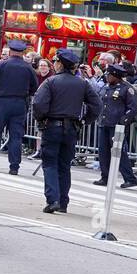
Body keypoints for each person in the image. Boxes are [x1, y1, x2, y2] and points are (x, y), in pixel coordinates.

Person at [33, 49, 101, 214]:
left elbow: (39, 105)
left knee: (50, 164)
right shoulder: (82, 83)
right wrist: (85, 120)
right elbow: (97, 106)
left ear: (60, 64)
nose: (54, 65)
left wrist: (41, 119)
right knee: (64, 165)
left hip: (52, 126)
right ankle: (63, 202)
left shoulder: (51, 82)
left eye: (55, 62)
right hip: (71, 128)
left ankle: (53, 199)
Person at [0, 37, 36, 174]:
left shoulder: (2, 65)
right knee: (16, 136)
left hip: (3, 101)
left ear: (11, 51)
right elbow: (34, 87)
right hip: (20, 103)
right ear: (23, 52)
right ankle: (14, 166)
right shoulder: (28, 67)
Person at [95, 63, 137, 189]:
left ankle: (130, 179)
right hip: (104, 123)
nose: (107, 77)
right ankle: (105, 177)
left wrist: (123, 121)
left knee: (119, 152)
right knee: (103, 151)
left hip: (117, 125)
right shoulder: (106, 87)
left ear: (116, 76)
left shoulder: (126, 89)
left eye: (109, 75)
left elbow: (133, 107)